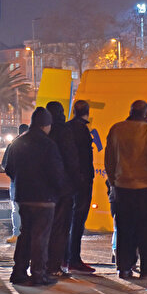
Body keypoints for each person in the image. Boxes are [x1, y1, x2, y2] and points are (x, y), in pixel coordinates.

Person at [104, 100, 147, 279]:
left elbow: (109, 158)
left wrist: (113, 181)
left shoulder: (116, 129)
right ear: (146, 114)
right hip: (146, 188)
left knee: (125, 230)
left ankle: (124, 267)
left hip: (123, 188)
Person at [4, 107, 68, 286]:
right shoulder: (48, 145)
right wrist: (59, 191)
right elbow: (57, 173)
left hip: (24, 196)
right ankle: (38, 273)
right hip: (44, 198)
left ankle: (18, 272)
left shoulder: (18, 142)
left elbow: (9, 168)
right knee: (40, 237)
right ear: (46, 125)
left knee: (25, 234)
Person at [44, 101, 79, 278]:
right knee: (60, 228)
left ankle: (43, 264)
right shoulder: (64, 132)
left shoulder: (43, 133)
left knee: (45, 228)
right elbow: (71, 159)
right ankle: (54, 266)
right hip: (63, 188)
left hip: (45, 188)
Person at [65, 100, 96, 274]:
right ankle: (73, 259)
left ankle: (66, 258)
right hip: (82, 182)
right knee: (78, 222)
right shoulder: (82, 130)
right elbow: (83, 157)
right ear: (87, 112)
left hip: (71, 182)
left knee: (69, 221)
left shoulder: (67, 128)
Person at [2, 123, 28, 244]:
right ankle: (26, 234)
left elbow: (5, 165)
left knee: (16, 209)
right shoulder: (33, 144)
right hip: (29, 182)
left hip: (16, 182)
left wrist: (14, 176)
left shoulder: (12, 145)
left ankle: (17, 234)